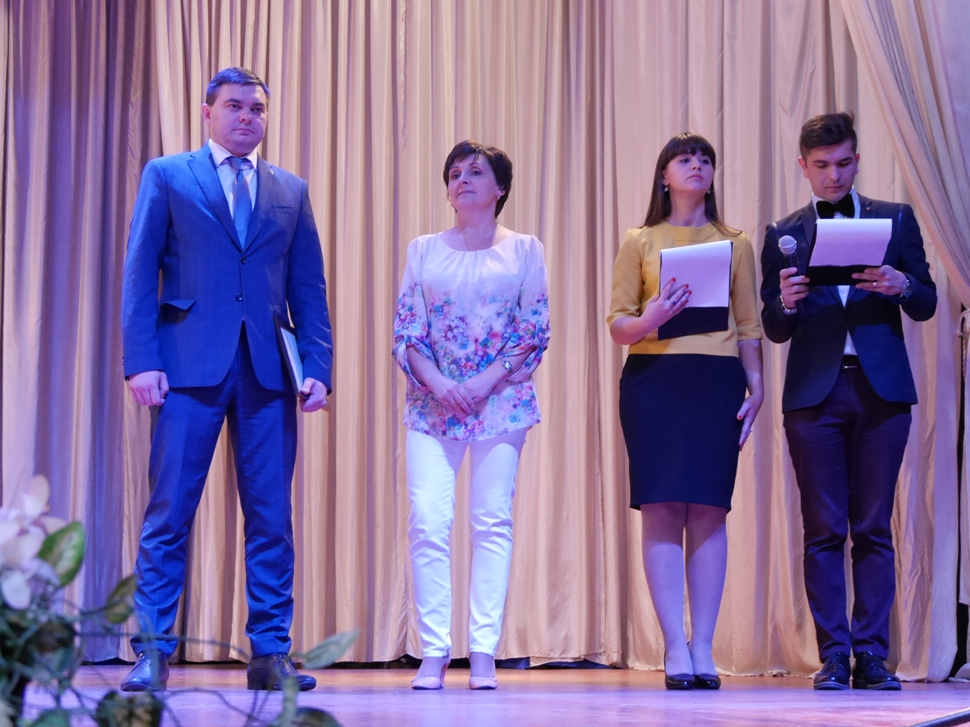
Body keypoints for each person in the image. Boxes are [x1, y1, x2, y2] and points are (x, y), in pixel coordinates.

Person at [120, 67, 333, 692]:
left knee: (271, 519)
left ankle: (270, 654)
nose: (247, 117)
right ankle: (151, 651)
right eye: (235, 106)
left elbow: (308, 288)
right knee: (169, 512)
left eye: (257, 109)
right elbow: (140, 273)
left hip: (268, 374)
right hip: (186, 369)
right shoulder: (168, 175)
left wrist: (318, 368)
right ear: (207, 112)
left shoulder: (290, 189)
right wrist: (141, 360)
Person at [760, 112, 936, 690]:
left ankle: (874, 656)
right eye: (821, 166)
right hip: (814, 394)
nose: (833, 175)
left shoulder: (895, 218)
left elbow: (927, 301)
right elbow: (774, 328)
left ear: (857, 160)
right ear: (803, 167)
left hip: (881, 390)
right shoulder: (783, 233)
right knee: (824, 529)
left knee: (874, 526)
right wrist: (786, 302)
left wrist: (900, 285)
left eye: (842, 163)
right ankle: (834, 655)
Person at [608, 133, 763, 691]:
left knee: (709, 511)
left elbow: (749, 324)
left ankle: (704, 646)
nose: (696, 165)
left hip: (716, 382)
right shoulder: (640, 240)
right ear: (664, 176)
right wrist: (651, 317)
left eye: (704, 159)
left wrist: (757, 384)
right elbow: (618, 325)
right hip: (654, 382)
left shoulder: (736, 243)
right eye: (684, 159)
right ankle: (674, 643)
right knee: (661, 509)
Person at [392, 141, 550, 690]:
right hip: (432, 404)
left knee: (491, 522)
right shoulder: (422, 250)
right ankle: (434, 651)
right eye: (455, 172)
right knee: (428, 521)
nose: (462, 179)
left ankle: (483, 651)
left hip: (501, 402)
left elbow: (534, 329)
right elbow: (407, 330)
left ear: (500, 188)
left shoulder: (525, 249)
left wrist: (482, 384)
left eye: (476, 172)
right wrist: (440, 384)